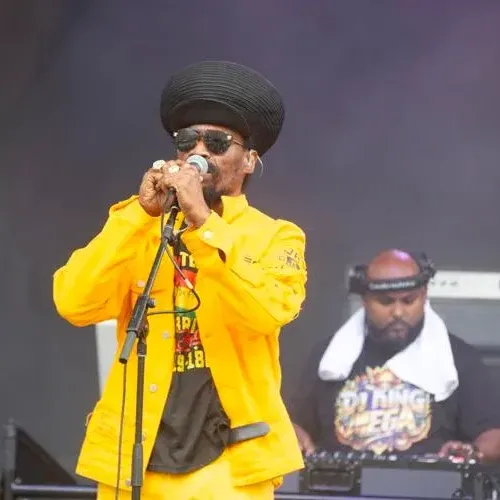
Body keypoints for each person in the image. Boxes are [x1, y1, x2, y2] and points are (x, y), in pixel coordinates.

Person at [53, 60, 307, 500]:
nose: (199, 152)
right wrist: (137, 215)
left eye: (218, 142)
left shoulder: (275, 236)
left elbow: (268, 313)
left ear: (249, 160)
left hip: (229, 463)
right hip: (133, 456)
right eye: (188, 140)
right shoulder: (141, 227)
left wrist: (205, 222)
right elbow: (74, 302)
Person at [289, 249, 500, 463]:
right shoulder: (328, 356)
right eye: (386, 302)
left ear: (424, 295)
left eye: (409, 301)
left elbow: (493, 434)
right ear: (365, 300)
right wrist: (292, 437)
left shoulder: (461, 359)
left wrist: (472, 451)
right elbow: (296, 425)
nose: (398, 312)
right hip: (339, 488)